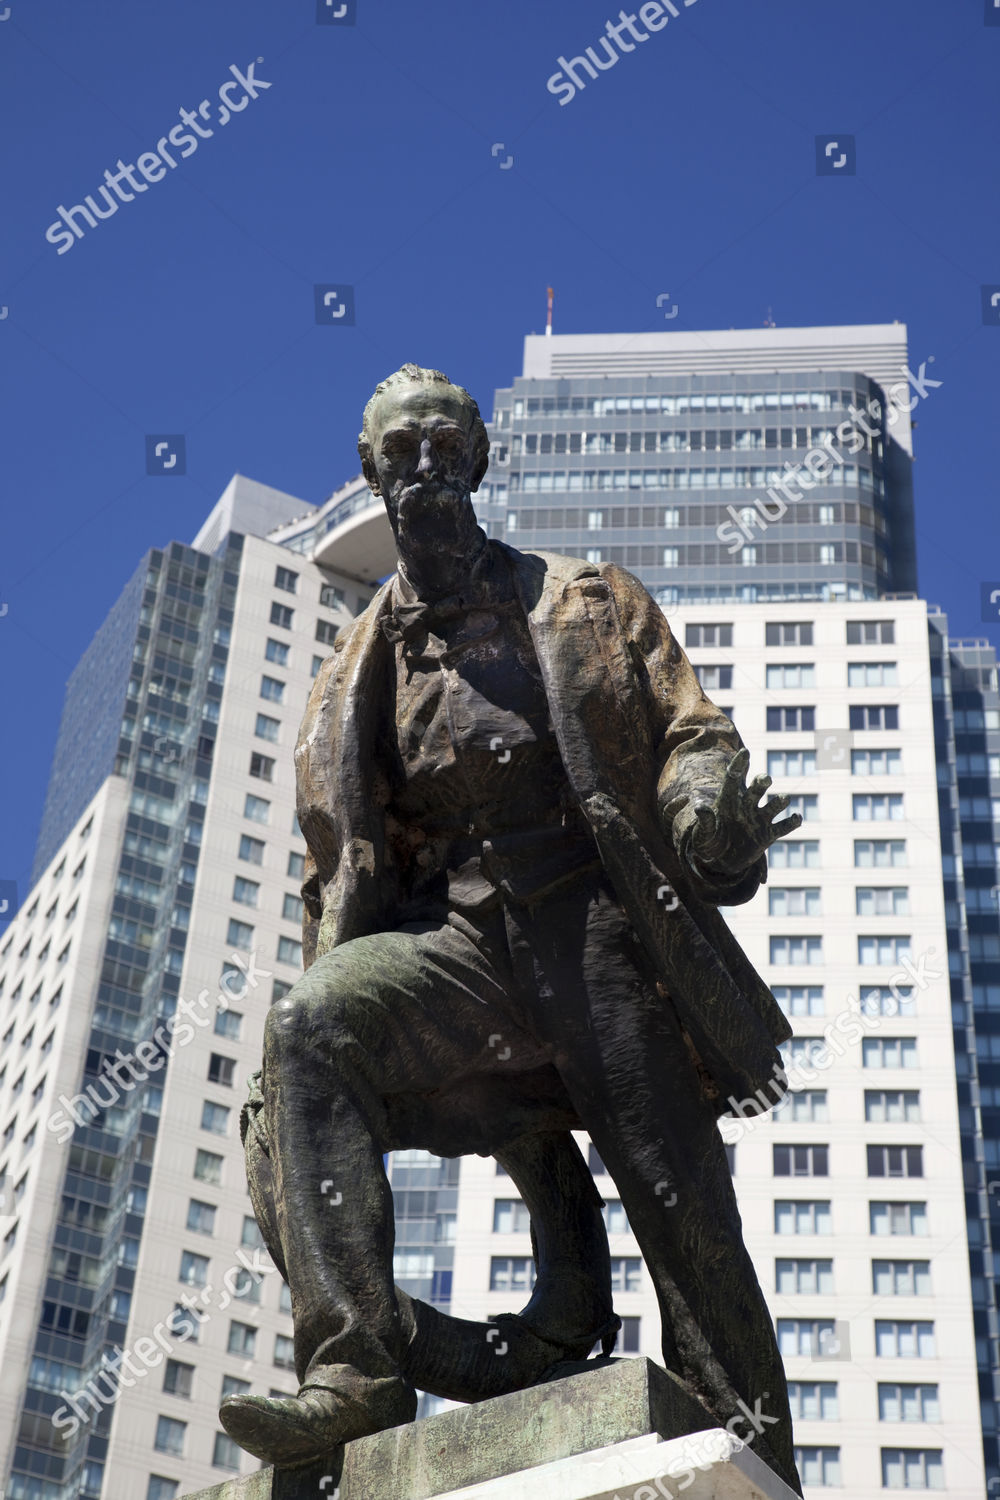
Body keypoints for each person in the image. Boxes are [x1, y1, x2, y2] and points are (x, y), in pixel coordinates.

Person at [220, 365, 803, 1493]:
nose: (426, 468)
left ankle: (745, 1439)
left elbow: (694, 736)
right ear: (370, 472)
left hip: (596, 937)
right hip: (457, 956)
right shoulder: (351, 669)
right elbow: (338, 869)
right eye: (403, 453)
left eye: (446, 445)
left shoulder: (588, 600)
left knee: (680, 1200)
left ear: (478, 460)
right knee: (310, 1027)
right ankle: (358, 1372)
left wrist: (705, 810)